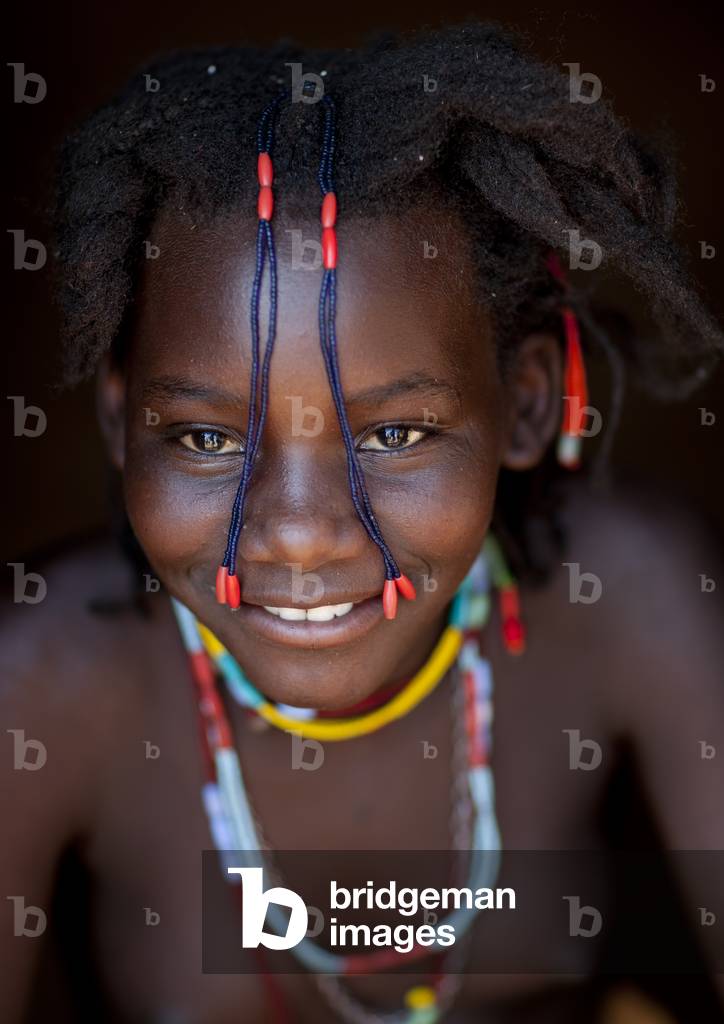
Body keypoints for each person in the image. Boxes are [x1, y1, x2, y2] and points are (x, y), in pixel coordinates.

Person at [3, 20, 724, 1024]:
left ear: (524, 406)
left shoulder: (628, 595)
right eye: (207, 441)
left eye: (396, 433)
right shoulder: (46, 686)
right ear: (123, 427)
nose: (299, 533)